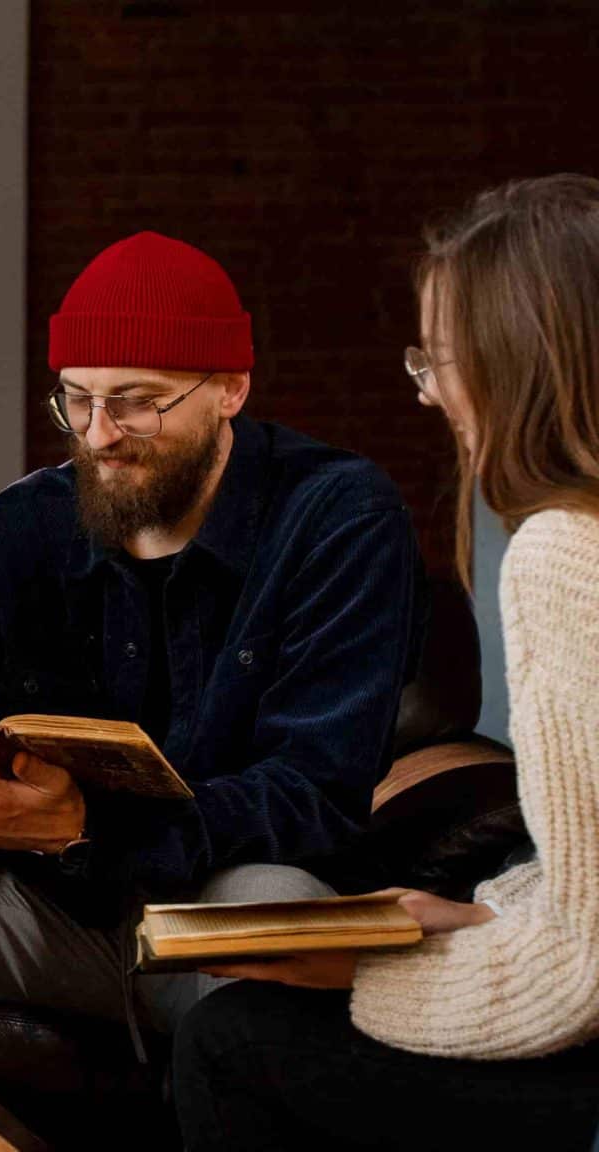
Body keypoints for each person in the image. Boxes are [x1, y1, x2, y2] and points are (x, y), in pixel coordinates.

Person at [0, 231, 426, 1039]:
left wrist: (91, 827)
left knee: (266, 899)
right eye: (76, 398)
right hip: (52, 913)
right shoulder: (20, 527)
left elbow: (317, 791)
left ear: (230, 389)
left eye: (138, 400)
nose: (99, 434)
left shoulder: (339, 517)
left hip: (219, 909)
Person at [173, 176, 599, 1150]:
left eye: (437, 360)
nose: (426, 392)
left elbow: (582, 969)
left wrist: (366, 971)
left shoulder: (560, 555)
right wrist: (465, 918)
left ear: (517, 363)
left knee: (229, 1041)